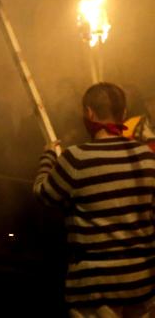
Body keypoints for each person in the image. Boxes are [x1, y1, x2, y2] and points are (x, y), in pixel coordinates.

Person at [34, 82, 155, 317]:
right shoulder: (148, 159)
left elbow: (43, 194)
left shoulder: (75, 159)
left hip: (94, 291)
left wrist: (48, 157)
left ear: (89, 113)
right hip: (142, 284)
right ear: (124, 113)